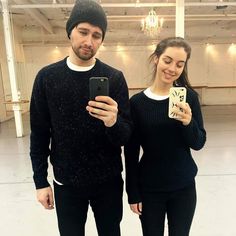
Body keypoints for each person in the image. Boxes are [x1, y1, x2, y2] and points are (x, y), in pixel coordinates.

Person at [29, 0, 132, 235]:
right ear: (70, 31)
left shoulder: (114, 78)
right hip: (67, 182)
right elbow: (40, 133)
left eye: (97, 35)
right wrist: (40, 181)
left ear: (102, 40)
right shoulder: (47, 78)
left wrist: (113, 122)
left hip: (108, 182)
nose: (89, 41)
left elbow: (125, 135)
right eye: (83, 32)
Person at [124, 37, 206, 236]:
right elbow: (131, 152)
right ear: (156, 59)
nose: (172, 68)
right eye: (167, 61)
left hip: (184, 187)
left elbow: (198, 142)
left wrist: (188, 123)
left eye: (180, 64)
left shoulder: (189, 97)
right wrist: (132, 193)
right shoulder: (137, 103)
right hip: (150, 189)